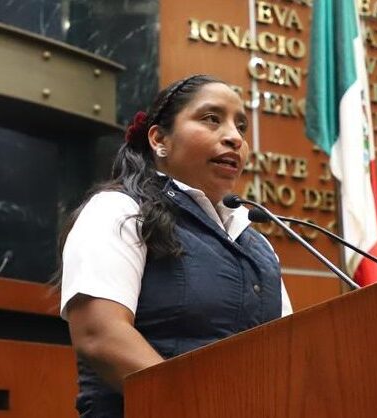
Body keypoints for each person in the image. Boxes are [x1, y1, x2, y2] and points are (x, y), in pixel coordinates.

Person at [58, 74, 292, 417]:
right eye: (211, 118)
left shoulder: (258, 245)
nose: (234, 137)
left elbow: (289, 354)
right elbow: (100, 335)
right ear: (159, 139)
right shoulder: (119, 211)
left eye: (241, 126)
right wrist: (200, 408)